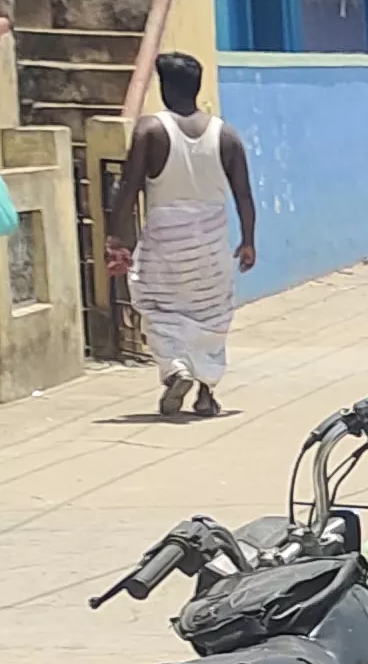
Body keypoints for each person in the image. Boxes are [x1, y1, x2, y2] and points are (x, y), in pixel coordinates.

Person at [104, 51, 257, 419]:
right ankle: (206, 393)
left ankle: (175, 369)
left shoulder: (150, 130)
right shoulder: (227, 135)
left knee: (158, 310)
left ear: (167, 87)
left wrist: (116, 236)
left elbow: (130, 185)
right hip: (211, 241)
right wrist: (248, 241)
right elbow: (244, 194)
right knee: (211, 316)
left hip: (165, 239)